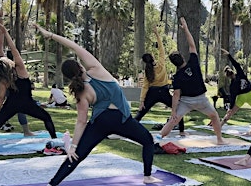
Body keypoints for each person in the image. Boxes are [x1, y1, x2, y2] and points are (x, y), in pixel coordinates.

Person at [34, 24, 161, 185]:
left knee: (78, 155)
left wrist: (73, 146)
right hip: (122, 119)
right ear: (80, 66)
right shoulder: (96, 69)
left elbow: (81, 122)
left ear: (68, 78)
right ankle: (147, 176)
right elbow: (74, 46)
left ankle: (52, 183)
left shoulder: (81, 92)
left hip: (101, 122)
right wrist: (50, 35)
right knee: (147, 140)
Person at [0, 23, 57, 152]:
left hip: (11, 105)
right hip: (28, 104)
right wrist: (6, 33)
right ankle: (54, 141)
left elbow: (0, 97)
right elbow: (13, 49)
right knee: (47, 118)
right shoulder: (20, 68)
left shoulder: (3, 79)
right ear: (8, 62)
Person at [160, 17, 226, 145]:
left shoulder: (177, 76)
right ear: (182, 57)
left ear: (174, 64)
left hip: (186, 102)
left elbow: (176, 95)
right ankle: (219, 139)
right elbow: (192, 45)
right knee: (214, 116)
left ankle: (158, 139)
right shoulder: (193, 62)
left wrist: (173, 111)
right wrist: (186, 28)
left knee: (173, 120)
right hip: (201, 99)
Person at [134, 26, 186, 136]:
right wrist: (157, 34)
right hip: (163, 91)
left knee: (141, 113)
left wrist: (142, 101)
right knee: (177, 110)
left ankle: (129, 130)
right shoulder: (161, 63)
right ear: (153, 58)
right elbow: (161, 49)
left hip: (152, 93)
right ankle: (181, 131)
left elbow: (145, 87)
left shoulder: (147, 71)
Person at [218, 48, 251, 126]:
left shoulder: (232, 85)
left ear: (228, 77)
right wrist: (229, 55)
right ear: (232, 71)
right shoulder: (240, 74)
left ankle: (221, 124)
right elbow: (236, 64)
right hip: (249, 94)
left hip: (241, 97)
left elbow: (233, 97)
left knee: (230, 113)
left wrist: (230, 108)